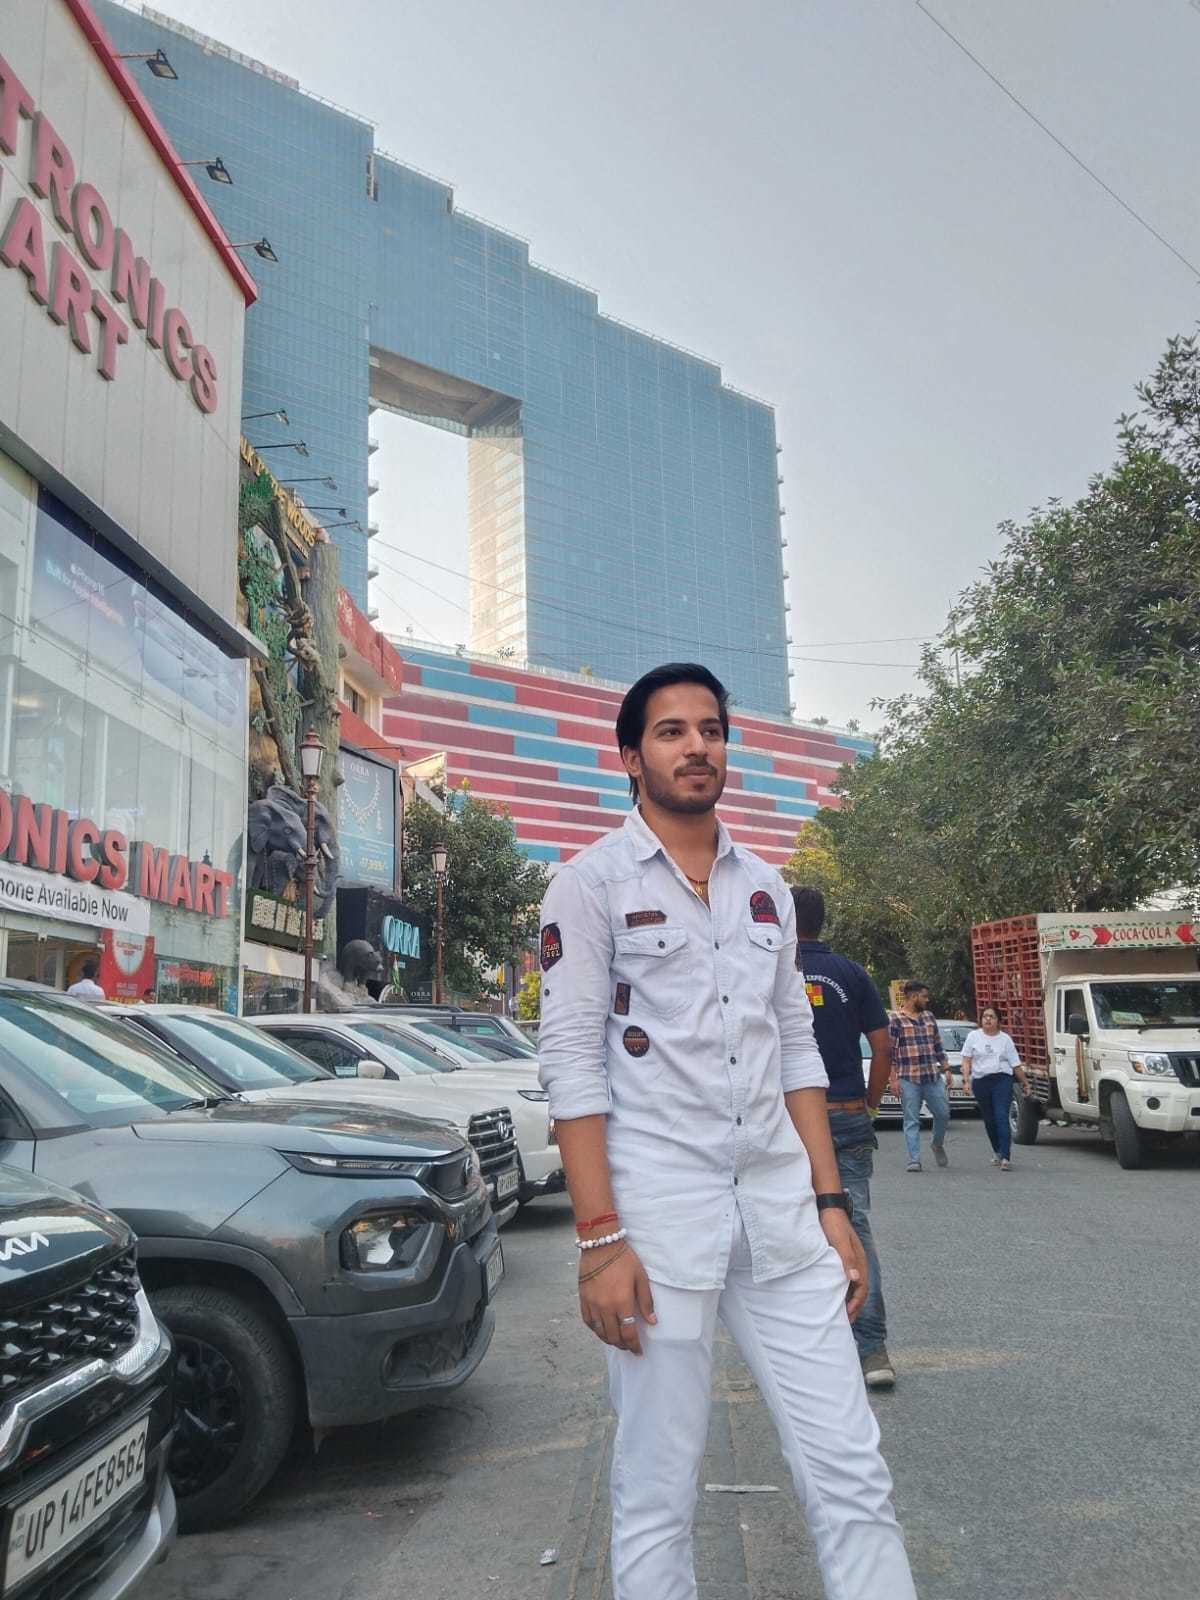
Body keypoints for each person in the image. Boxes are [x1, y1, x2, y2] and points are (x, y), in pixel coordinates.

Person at [538, 663, 916, 1600]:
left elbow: (796, 1051)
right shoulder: (588, 886)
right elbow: (573, 1064)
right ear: (631, 758)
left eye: (710, 729)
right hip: (659, 1222)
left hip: (781, 1212)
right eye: (671, 731)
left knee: (851, 1468)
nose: (696, 746)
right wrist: (598, 1240)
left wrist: (832, 1204)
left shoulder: (767, 888)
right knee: (657, 1492)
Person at [792, 885, 897, 1390]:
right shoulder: (852, 973)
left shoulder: (774, 971)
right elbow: (882, 1045)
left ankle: (810, 1354)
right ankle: (872, 1350)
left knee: (790, 1229)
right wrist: (869, 1102)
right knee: (854, 1226)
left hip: (791, 1120)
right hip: (848, 1112)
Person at [889, 980, 951, 1173]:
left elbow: (938, 1045)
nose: (927, 1000)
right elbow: (890, 1052)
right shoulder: (895, 1019)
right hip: (908, 1078)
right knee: (911, 1120)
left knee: (943, 1114)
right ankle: (914, 1159)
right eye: (924, 996)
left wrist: (946, 1068)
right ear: (913, 996)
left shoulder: (929, 1017)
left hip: (932, 1076)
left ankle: (936, 1144)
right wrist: (893, 1079)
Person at [961, 1005, 1030, 1170]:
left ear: (998, 1021)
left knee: (1001, 1116)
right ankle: (997, 1151)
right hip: (981, 1081)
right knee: (989, 1120)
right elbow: (966, 1060)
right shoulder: (973, 1036)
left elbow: (1015, 1065)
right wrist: (966, 1081)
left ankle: (1005, 1157)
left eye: (992, 1017)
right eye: (985, 1016)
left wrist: (1025, 1083)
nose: (988, 1019)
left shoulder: (1005, 1039)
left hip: (1001, 1080)